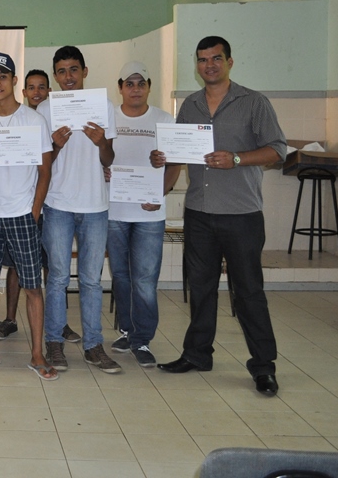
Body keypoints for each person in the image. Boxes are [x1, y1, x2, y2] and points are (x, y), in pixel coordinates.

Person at [154, 36, 286, 396]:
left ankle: (263, 366)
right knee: (201, 289)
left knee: (248, 292)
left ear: (229, 62)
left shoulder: (253, 102)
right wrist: (162, 158)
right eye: (202, 60)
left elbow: (278, 150)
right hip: (199, 212)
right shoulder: (191, 105)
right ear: (196, 66)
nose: (208, 65)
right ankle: (197, 355)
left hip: (241, 214)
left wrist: (237, 158)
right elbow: (178, 152)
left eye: (215, 58)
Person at [0, 53, 57, 380]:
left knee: (33, 286)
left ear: (14, 81)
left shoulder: (34, 121)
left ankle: (37, 354)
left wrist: (34, 211)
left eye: (3, 76)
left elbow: (45, 171)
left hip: (22, 213)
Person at [35, 46, 122, 374]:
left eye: (74, 69)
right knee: (57, 278)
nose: (68, 76)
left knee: (91, 280)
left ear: (84, 71)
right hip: (57, 204)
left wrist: (102, 142)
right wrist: (55, 145)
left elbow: (109, 159)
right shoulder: (45, 109)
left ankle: (93, 345)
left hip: (95, 205)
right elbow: (42, 163)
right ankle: (54, 342)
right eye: (61, 71)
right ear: (55, 75)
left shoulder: (104, 106)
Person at [106, 62, 179, 369]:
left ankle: (142, 339)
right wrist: (102, 169)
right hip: (114, 211)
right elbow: (99, 155)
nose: (135, 89)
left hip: (150, 214)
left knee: (145, 279)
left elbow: (175, 163)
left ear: (149, 87)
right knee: (121, 276)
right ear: (120, 87)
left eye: (141, 83)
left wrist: (160, 193)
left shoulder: (163, 119)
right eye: (129, 84)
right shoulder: (108, 116)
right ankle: (127, 330)